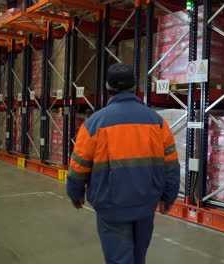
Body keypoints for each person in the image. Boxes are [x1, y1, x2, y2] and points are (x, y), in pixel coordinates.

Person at [66, 63, 180, 264]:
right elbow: (171, 164)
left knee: (119, 259)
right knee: (139, 257)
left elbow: (79, 166)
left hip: (111, 206)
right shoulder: (156, 122)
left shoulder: (94, 123)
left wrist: (75, 193)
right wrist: (169, 196)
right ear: (135, 87)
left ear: (108, 89)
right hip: (146, 203)